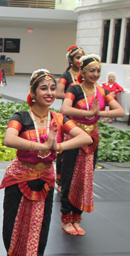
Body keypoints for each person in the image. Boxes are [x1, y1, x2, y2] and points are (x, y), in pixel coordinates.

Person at [1, 69, 92, 256]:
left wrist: (58, 147)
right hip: (20, 179)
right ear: (33, 92)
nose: (50, 92)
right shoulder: (21, 116)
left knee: (39, 230)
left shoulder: (59, 119)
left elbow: (85, 138)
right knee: (15, 228)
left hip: (45, 181)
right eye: (44, 88)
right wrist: (43, 147)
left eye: (52, 88)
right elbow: (9, 139)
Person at [60, 54, 124, 236]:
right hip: (74, 136)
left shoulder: (101, 91)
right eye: (92, 71)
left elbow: (120, 110)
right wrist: (89, 112)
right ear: (83, 71)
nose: (95, 74)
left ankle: (77, 218)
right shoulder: (74, 89)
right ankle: (66, 218)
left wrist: (99, 112)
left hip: (92, 139)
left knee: (85, 178)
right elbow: (65, 109)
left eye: (98, 71)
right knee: (69, 176)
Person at [55, 45, 84, 192]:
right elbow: (58, 92)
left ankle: (77, 180)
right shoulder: (66, 76)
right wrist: (72, 95)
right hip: (68, 116)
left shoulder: (86, 76)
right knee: (64, 150)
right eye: (78, 57)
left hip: (84, 118)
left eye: (82, 57)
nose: (80, 60)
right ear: (71, 59)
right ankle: (61, 182)